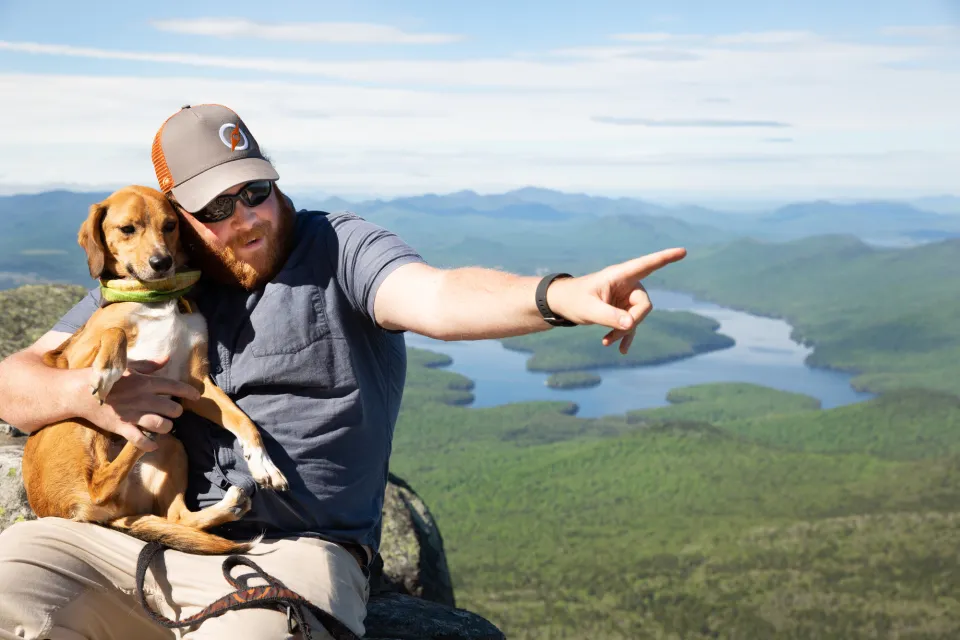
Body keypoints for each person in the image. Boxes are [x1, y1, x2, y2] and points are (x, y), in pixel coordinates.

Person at [0, 104, 686, 640]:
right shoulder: (159, 279)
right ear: (178, 220)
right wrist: (92, 396)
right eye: (216, 208)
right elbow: (14, 383)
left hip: (289, 559)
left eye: (256, 190)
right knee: (12, 582)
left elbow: (437, 296)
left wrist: (556, 295)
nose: (246, 218)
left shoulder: (339, 248)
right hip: (140, 535)